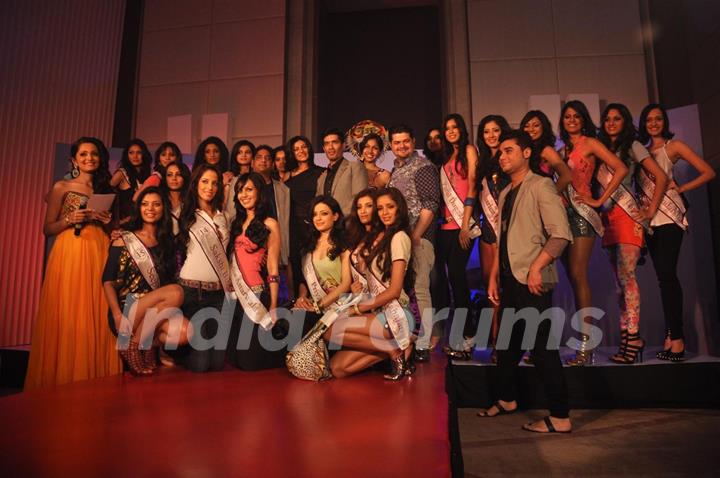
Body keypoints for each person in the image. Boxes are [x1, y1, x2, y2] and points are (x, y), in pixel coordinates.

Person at [479, 130, 572, 434]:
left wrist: (537, 268)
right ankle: (507, 399)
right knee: (506, 347)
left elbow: (560, 234)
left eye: (508, 151)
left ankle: (560, 417)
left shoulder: (542, 185)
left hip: (533, 281)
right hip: (510, 280)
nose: (502, 157)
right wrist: (493, 277)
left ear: (526, 152)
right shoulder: (506, 192)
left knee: (543, 349)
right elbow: (503, 240)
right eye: (500, 153)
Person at [25, 137, 122, 389]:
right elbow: (48, 228)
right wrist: (70, 218)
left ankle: (96, 377)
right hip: (71, 252)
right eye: (84, 155)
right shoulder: (62, 186)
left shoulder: (104, 189)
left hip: (99, 249)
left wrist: (107, 221)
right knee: (71, 310)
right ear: (74, 159)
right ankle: (66, 378)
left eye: (94, 154)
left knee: (98, 311)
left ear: (101, 159)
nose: (89, 158)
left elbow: (111, 227)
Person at [638, 103, 716, 362]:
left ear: (665, 122)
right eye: (649, 120)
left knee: (668, 277)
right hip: (650, 220)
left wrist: (681, 189)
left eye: (658, 119)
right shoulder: (641, 151)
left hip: (670, 217)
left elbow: (708, 172)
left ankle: (678, 339)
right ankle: (672, 337)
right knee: (663, 278)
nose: (653, 123)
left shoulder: (674, 147)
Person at [558, 100, 628, 366]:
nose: (572, 120)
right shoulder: (561, 148)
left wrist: (600, 201)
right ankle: (580, 344)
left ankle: (586, 346)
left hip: (582, 213)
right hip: (562, 215)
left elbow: (620, 168)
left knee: (578, 274)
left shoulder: (590, 144)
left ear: (584, 119)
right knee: (571, 279)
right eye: (567, 117)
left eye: (576, 116)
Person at [598, 103, 668, 364]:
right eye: (608, 119)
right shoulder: (605, 150)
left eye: (617, 118)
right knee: (619, 285)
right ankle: (627, 336)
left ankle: (634, 336)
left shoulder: (634, 146)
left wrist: (649, 212)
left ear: (625, 122)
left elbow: (660, 177)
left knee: (628, 278)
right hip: (609, 221)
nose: (612, 123)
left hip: (629, 219)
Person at [323, 188, 416, 380]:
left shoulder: (399, 237)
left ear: (400, 209)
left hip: (396, 313)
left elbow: (394, 290)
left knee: (331, 330)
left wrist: (357, 309)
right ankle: (401, 348)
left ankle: (394, 351)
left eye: (390, 207)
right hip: (379, 313)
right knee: (338, 368)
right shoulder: (383, 237)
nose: (385, 212)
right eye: (381, 208)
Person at [102, 187, 192, 376]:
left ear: (163, 209)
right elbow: (108, 281)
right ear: (139, 208)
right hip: (129, 311)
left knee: (186, 332)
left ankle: (139, 344)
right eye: (145, 204)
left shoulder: (168, 242)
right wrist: (117, 315)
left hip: (154, 313)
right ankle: (135, 344)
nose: (150, 208)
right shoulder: (124, 239)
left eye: (156, 204)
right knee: (176, 292)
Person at [387, 124, 440, 362]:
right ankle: (408, 338)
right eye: (397, 142)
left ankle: (424, 343)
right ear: (390, 145)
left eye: (405, 141)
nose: (401, 146)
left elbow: (430, 204)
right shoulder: (395, 171)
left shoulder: (424, 168)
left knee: (420, 289)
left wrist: (416, 235)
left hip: (419, 239)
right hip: (400, 240)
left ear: (413, 141)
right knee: (406, 292)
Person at [175, 163, 232, 372]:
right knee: (200, 365)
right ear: (196, 184)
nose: (210, 187)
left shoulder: (223, 216)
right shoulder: (183, 213)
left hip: (218, 294)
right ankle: (171, 353)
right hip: (193, 292)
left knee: (216, 364)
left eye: (215, 183)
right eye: (205, 181)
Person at [226, 173, 286, 370]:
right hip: (236, 298)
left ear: (260, 193)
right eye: (240, 191)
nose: (244, 195)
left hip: (257, 295)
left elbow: (273, 266)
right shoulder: (235, 223)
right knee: (233, 359)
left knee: (249, 362)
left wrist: (274, 305)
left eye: (249, 189)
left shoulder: (270, 223)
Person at [436, 114, 481, 360]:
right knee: (449, 283)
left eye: (455, 127)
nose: (451, 131)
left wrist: (465, 225)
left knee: (458, 277)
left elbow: (473, 186)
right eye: (447, 128)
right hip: (445, 229)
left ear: (462, 129)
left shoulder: (469, 150)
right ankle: (458, 336)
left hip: (463, 226)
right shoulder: (445, 157)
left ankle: (470, 335)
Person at [475, 115, 511, 361]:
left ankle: (510, 345)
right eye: (486, 131)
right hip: (487, 232)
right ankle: (498, 343)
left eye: (495, 130)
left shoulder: (510, 158)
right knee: (492, 291)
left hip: (508, 231)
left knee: (509, 292)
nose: (491, 135)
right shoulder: (482, 162)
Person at [293, 195, 352, 317]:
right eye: (315, 214)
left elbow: (346, 284)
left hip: (340, 306)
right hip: (314, 306)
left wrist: (319, 306)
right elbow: (303, 280)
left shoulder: (344, 244)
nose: (318, 218)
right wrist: (302, 298)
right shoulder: (308, 245)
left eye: (324, 214)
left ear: (335, 216)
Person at [285, 135, 324, 297]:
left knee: (315, 265)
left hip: (314, 227)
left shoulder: (321, 172)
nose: (301, 151)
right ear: (292, 153)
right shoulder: (287, 177)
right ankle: (299, 303)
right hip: (293, 228)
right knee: (296, 266)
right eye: (296, 149)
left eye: (304, 147)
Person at [316, 127, 368, 216]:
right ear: (324, 148)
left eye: (334, 142)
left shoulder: (355, 167)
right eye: (327, 144)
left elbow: (361, 200)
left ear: (343, 145)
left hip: (349, 225)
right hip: (328, 227)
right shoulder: (322, 177)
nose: (330, 147)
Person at [520, 110, 572, 192]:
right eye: (527, 126)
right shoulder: (523, 150)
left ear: (544, 127)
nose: (531, 129)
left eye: (536, 125)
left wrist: (551, 195)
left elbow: (567, 176)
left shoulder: (547, 150)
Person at [111, 138, 152, 226]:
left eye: (139, 152)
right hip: (124, 224)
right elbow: (106, 195)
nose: (135, 156)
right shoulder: (121, 174)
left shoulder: (148, 175)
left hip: (144, 222)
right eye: (131, 153)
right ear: (127, 155)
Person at [161, 160, 191, 234]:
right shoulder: (159, 200)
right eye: (169, 175)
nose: (174, 178)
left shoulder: (192, 200)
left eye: (178, 174)